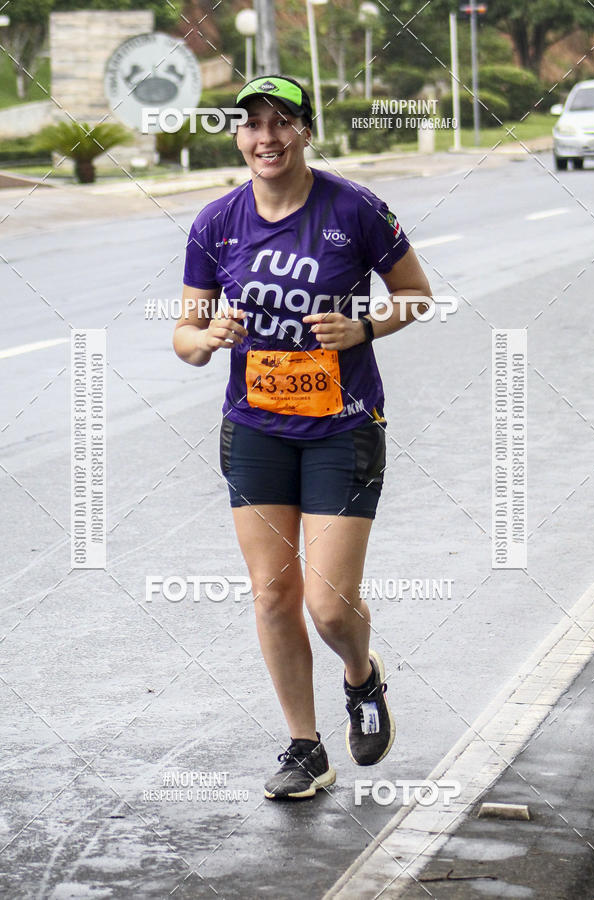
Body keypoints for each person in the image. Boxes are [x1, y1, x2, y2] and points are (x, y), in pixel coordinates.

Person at [173, 75, 431, 800]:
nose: (267, 138)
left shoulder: (355, 208)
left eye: (281, 123)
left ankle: (362, 675)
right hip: (254, 430)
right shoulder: (216, 223)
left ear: (305, 131)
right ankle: (303, 747)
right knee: (271, 596)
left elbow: (417, 294)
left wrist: (366, 326)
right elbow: (184, 336)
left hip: (342, 429)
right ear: (237, 137)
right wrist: (207, 335)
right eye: (252, 125)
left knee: (327, 604)